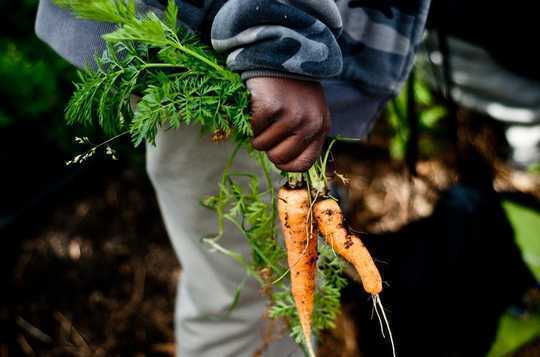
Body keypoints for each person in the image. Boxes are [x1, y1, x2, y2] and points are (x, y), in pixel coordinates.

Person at [35, 0, 430, 356]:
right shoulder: (273, 49)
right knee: (244, 313)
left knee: (273, 288)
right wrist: (278, 42)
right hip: (233, 60)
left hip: (256, 43)